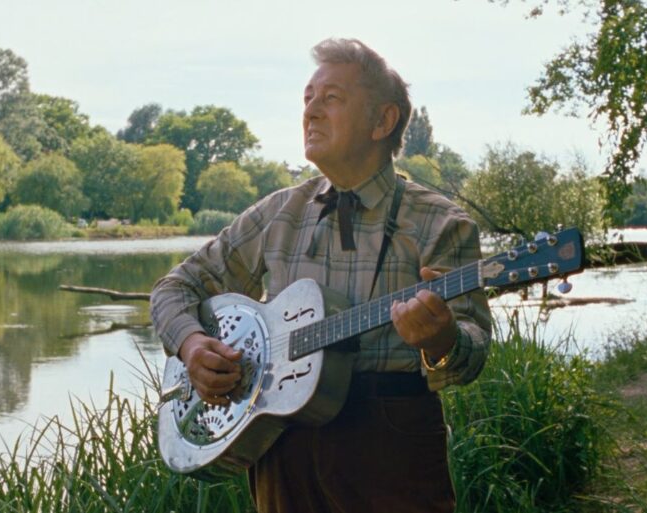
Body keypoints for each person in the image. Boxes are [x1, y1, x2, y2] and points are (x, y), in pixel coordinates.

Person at [150, 38, 492, 513]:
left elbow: (471, 353)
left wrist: (441, 341)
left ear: (382, 121)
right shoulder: (278, 212)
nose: (310, 112)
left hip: (391, 446)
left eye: (331, 98)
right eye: (308, 98)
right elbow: (174, 288)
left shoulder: (441, 223)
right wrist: (191, 345)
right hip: (281, 447)